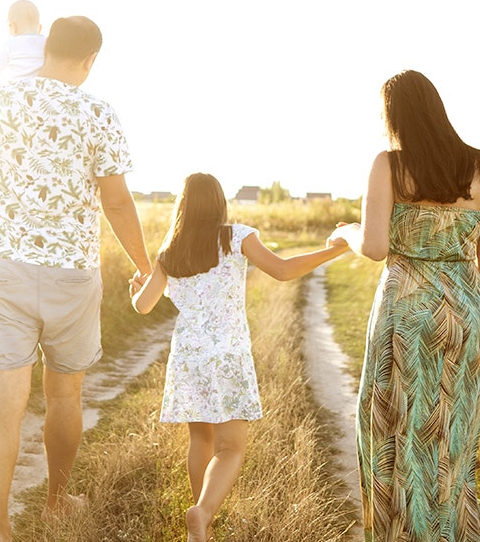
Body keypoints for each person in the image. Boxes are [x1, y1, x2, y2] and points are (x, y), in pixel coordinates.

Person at [0, 15, 152, 542]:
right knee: (64, 396)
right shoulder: (97, 112)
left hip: (5, 267)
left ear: (46, 46)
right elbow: (116, 202)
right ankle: (55, 502)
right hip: (70, 274)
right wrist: (145, 266)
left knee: (5, 396)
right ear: (91, 59)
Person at [129, 173, 350, 542]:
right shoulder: (236, 236)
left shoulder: (170, 252)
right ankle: (202, 512)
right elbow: (282, 270)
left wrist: (138, 287)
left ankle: (203, 527)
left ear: (182, 206)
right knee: (231, 448)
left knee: (200, 440)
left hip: (189, 357)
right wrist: (336, 249)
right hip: (227, 355)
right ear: (219, 203)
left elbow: (144, 305)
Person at [334, 70, 480, 541]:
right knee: (450, 442)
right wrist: (473, 320)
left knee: (392, 434)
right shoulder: (479, 170)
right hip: (466, 315)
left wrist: (344, 231)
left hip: (405, 317)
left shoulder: (390, 165)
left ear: (395, 115)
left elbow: (372, 246)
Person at [0, 0, 46, 95]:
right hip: (40, 93)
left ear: (12, 26)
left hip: (17, 94)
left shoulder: (10, 44)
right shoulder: (47, 42)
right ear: (40, 27)